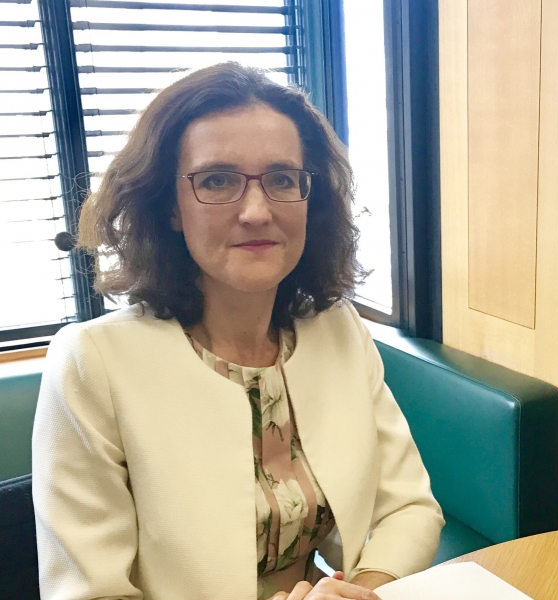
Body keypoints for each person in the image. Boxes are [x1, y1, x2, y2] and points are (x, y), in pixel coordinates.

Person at [32, 62, 444, 599]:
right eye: (218, 180)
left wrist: (360, 589)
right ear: (170, 207)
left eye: (281, 179)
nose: (256, 210)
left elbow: (410, 507)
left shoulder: (337, 329)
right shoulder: (94, 363)